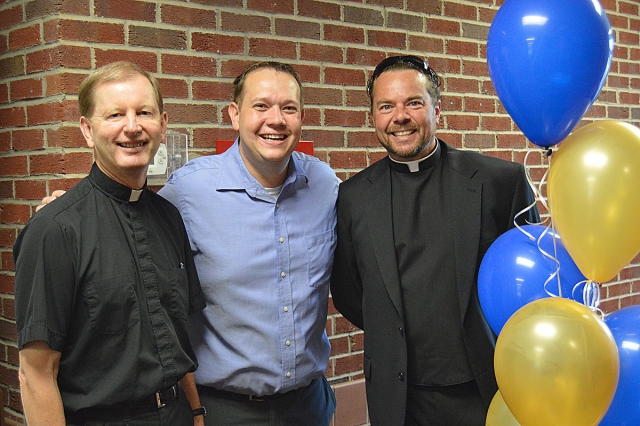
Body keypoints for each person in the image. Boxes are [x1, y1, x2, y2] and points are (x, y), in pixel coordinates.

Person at [330, 55, 540, 426]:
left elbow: (530, 288)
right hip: (401, 398)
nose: (400, 116)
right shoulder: (353, 196)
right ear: (373, 117)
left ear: (436, 109)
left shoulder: (499, 183)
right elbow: (351, 294)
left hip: (487, 390)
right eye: (386, 106)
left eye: (413, 102)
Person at [14, 61, 207, 426]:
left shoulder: (169, 218)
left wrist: (197, 413)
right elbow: (35, 374)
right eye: (115, 114)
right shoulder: (55, 230)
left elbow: (177, 334)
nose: (132, 127)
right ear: (87, 129)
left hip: (177, 414)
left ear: (162, 125)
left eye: (144, 113)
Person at [157, 61, 338, 425]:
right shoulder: (189, 191)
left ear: (302, 117)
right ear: (234, 115)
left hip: (309, 407)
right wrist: (67, 211)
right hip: (225, 409)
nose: (276, 120)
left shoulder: (324, 185)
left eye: (288, 108)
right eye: (261, 106)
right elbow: (131, 234)